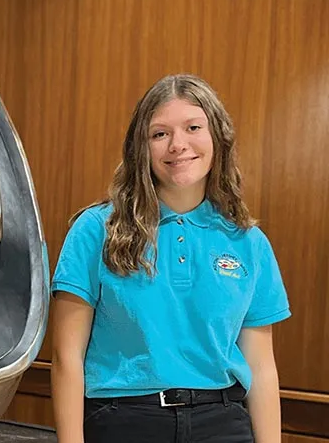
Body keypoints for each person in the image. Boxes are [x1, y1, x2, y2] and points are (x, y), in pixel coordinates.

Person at [50, 74, 290, 443]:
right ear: (140, 148)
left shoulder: (249, 242)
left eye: (193, 127)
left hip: (222, 422)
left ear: (218, 138)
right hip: (123, 420)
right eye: (159, 134)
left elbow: (261, 366)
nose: (178, 145)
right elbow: (66, 357)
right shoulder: (96, 229)